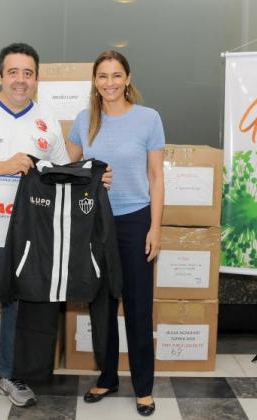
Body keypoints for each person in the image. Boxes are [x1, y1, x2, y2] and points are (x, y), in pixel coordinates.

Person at [0, 42, 111, 418]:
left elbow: (62, 173)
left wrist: (96, 176)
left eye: (28, 73)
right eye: (13, 72)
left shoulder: (46, 119)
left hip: (30, 239)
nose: (20, 79)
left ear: (37, 78)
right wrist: (4, 165)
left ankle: (10, 376)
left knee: (17, 309)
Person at [66, 50, 164, 417]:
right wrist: (89, 170)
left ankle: (143, 386)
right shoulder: (83, 119)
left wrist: (155, 227)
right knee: (101, 305)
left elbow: (156, 177)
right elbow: (69, 170)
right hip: (95, 224)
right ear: (94, 81)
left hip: (136, 221)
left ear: (128, 78)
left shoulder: (148, 119)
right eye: (103, 76)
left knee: (138, 307)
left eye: (116, 75)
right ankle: (107, 376)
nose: (110, 82)